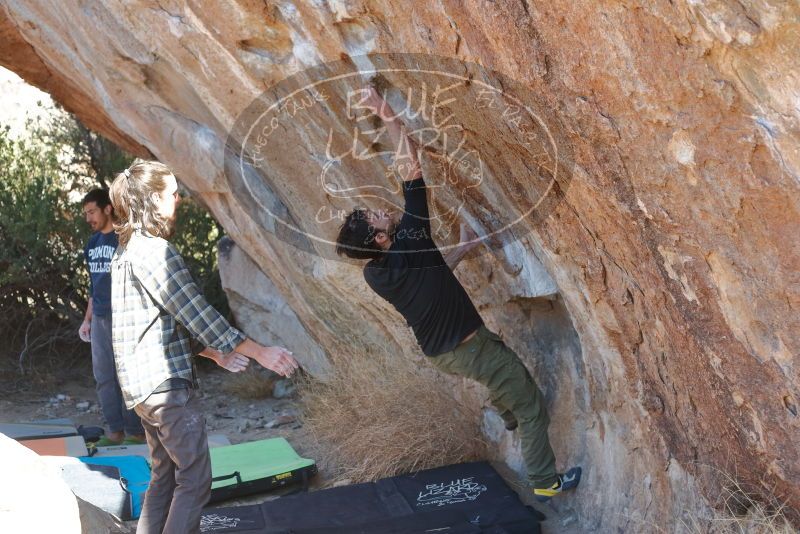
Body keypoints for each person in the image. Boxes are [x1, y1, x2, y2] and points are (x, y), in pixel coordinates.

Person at [335, 87, 581, 503]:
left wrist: (464, 248)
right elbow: (410, 166)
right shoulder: (411, 239)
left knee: (498, 372)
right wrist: (386, 112)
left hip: (443, 353)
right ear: (379, 238)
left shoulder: (377, 274)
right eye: (372, 215)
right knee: (531, 405)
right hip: (468, 346)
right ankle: (545, 480)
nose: (380, 208)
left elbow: (430, 279)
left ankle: (505, 413)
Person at [109, 161, 300, 533]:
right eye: (171, 193)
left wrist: (215, 354)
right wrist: (259, 351)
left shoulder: (126, 253)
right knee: (195, 479)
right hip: (166, 391)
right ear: (153, 200)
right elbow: (196, 312)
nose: (178, 198)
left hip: (143, 390)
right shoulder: (156, 252)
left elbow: (158, 322)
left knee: (164, 477)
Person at [80, 188, 145, 446]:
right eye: (86, 213)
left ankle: (135, 432)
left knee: (126, 375)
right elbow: (93, 287)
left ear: (108, 208)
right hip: (99, 318)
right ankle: (115, 433)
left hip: (124, 317)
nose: (88, 218)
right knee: (103, 376)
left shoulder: (124, 239)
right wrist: (87, 320)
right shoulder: (92, 244)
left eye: (92, 211)